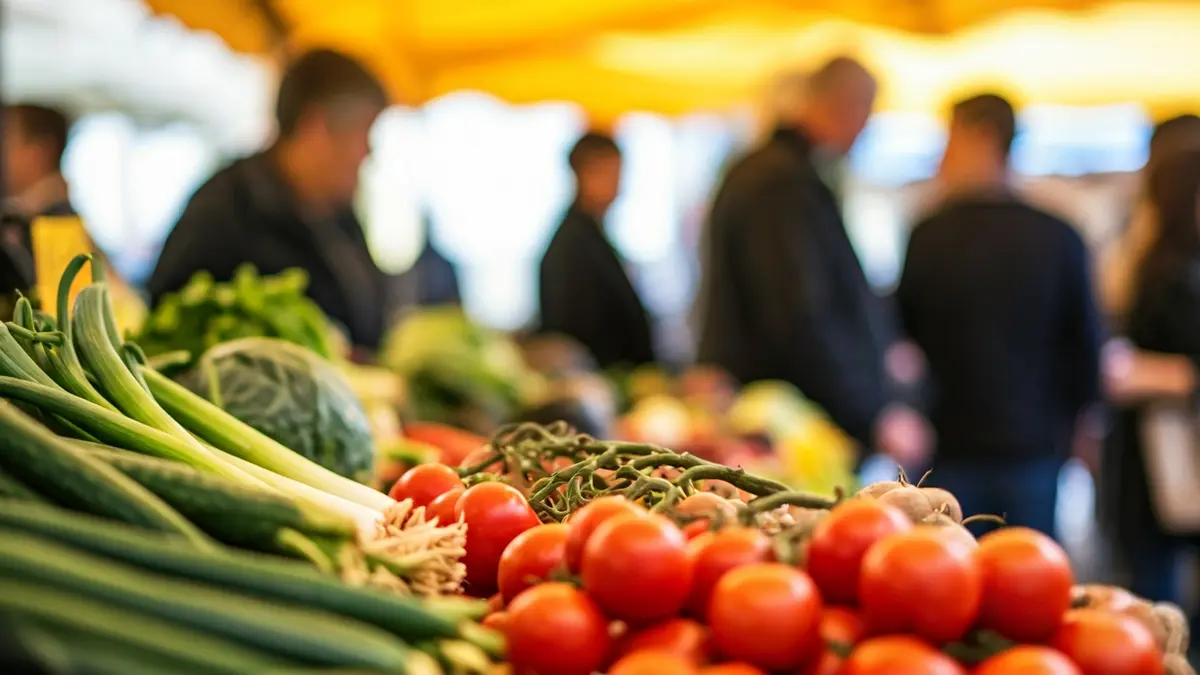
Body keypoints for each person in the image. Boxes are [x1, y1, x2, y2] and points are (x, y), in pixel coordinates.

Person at [695, 57, 929, 465]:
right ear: (845, 105)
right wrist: (871, 412)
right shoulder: (781, 184)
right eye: (866, 115)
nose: (864, 131)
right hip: (785, 428)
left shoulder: (776, 174)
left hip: (781, 417)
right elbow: (800, 314)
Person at [897, 94, 1105, 537]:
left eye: (950, 140)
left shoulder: (930, 234)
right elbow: (1087, 346)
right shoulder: (1058, 234)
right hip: (1035, 448)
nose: (942, 157)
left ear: (982, 138)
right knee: (1030, 584)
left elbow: (901, 335)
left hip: (948, 448)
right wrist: (1074, 427)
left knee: (949, 579)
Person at [148, 50, 390, 352]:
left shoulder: (338, 216)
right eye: (365, 132)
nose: (369, 153)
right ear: (316, 128)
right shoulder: (224, 210)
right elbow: (166, 326)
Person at [1109, 148, 1200, 607]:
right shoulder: (1152, 256)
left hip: (1174, 443)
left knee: (1153, 586)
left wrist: (1147, 373)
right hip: (1150, 446)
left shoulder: (1177, 267)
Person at [538, 132, 656, 370]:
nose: (618, 186)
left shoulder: (593, 235)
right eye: (610, 174)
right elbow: (571, 331)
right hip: (599, 378)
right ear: (582, 173)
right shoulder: (572, 245)